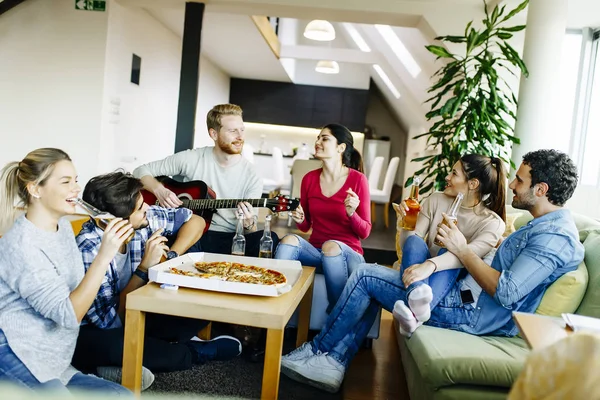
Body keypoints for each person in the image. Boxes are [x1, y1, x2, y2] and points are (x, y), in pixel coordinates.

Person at [280, 149, 584, 393]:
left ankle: (321, 352)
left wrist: (462, 249)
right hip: (462, 296)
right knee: (381, 275)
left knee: (365, 276)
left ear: (541, 189)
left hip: (470, 311)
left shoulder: (554, 238)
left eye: (519, 179)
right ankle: (332, 359)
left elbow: (507, 291)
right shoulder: (544, 227)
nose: (512, 185)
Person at [71, 172, 242, 380]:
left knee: (202, 310)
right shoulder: (88, 248)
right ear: (114, 221)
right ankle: (192, 352)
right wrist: (144, 268)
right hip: (100, 329)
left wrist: (172, 256)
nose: (147, 209)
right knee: (118, 345)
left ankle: (120, 365)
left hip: (137, 311)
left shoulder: (144, 216)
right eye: (140, 208)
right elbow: (112, 321)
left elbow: (195, 221)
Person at [0, 148, 131, 395]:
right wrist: (103, 256)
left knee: (122, 395)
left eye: (76, 180)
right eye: (66, 181)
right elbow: (69, 315)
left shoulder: (63, 227)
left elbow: (78, 292)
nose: (76, 188)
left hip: (55, 356)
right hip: (15, 352)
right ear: (35, 189)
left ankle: (93, 372)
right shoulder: (21, 246)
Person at [132, 103, 279, 256]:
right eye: (232, 131)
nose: (240, 136)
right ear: (214, 134)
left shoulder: (252, 174)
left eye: (242, 130)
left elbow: (251, 230)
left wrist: (249, 223)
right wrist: (160, 190)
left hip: (227, 238)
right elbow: (139, 171)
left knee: (270, 239)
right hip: (189, 233)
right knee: (170, 233)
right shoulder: (192, 158)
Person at [396, 154, 506, 329]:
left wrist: (430, 265)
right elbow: (408, 246)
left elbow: (467, 257)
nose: (447, 177)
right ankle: (417, 306)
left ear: (473, 184)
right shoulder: (436, 200)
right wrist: (407, 223)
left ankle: (414, 315)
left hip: (451, 282)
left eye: (454, 173)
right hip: (421, 276)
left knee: (448, 252)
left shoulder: (492, 223)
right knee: (415, 242)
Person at [275, 123, 371, 308]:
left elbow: (365, 231)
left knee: (331, 246)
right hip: (317, 251)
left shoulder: (358, 179)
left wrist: (352, 214)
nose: (317, 142)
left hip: (349, 253)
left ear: (341, 148)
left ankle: (337, 315)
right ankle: (277, 307)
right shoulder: (309, 179)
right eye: (318, 138)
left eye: (324, 138)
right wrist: (301, 219)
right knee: (288, 241)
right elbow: (306, 226)